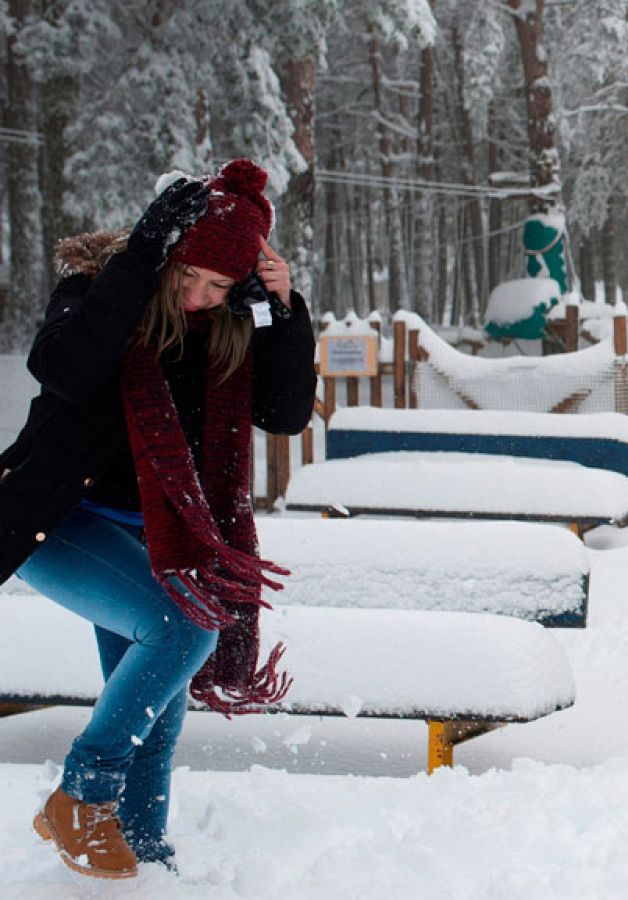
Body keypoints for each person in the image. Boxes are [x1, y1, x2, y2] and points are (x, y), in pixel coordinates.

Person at [2, 159, 317, 879]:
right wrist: (141, 258)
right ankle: (82, 796)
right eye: (189, 279)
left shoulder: (229, 323)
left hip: (159, 538)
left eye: (220, 286)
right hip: (56, 517)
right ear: (167, 254)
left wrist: (282, 309)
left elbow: (284, 413)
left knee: (160, 710)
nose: (201, 299)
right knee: (185, 627)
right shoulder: (96, 291)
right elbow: (65, 369)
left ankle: (143, 856)